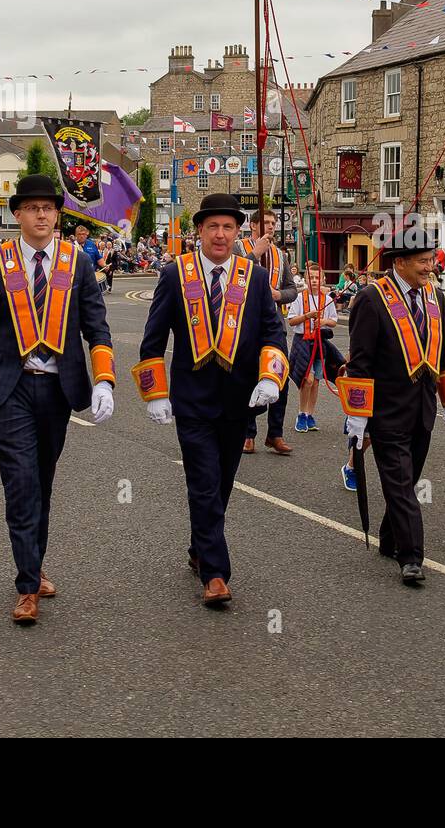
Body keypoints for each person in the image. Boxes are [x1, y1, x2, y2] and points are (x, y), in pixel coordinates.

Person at [0, 174, 116, 625]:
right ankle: (27, 587)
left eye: (49, 208)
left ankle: (34, 563)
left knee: (41, 482)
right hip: (10, 389)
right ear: (18, 214)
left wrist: (104, 381)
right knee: (20, 484)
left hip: (58, 390)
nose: (41, 215)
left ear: (57, 215)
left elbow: (96, 329)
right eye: (32, 208)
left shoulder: (77, 262)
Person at [135, 193, 288, 607]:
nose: (220, 235)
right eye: (212, 227)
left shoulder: (253, 277)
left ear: (238, 233)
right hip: (192, 401)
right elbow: (153, 340)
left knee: (220, 485)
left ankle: (199, 546)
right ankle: (216, 574)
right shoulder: (174, 274)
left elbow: (274, 334)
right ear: (199, 231)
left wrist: (271, 378)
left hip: (240, 402)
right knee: (203, 483)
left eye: (228, 227)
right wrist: (155, 393)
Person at [340, 220, 445, 585]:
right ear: (400, 262)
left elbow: (442, 358)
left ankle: (390, 539)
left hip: (422, 410)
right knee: (403, 482)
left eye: (431, 260)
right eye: (423, 261)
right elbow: (360, 362)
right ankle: (411, 556)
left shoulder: (435, 297)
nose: (429, 267)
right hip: (386, 411)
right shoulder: (372, 299)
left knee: (406, 480)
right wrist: (358, 417)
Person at [236, 208, 298, 455]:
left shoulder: (281, 256)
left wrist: (279, 295)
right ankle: (248, 433)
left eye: (274, 223)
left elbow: (292, 289)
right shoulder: (239, 249)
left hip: (275, 324)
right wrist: (254, 254)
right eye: (267, 223)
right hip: (246, 324)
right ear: (253, 225)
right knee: (250, 378)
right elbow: (233, 277)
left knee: (279, 377)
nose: (272, 227)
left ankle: (275, 434)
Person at [286, 262, 344, 433]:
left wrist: (324, 321)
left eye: (317, 277)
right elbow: (291, 320)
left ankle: (310, 414)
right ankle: (301, 413)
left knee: (317, 381)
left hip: (320, 343)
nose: (314, 280)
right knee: (307, 379)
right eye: (310, 278)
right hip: (303, 341)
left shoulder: (326, 300)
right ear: (306, 280)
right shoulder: (298, 297)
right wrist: (307, 316)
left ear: (323, 280)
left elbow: (333, 321)